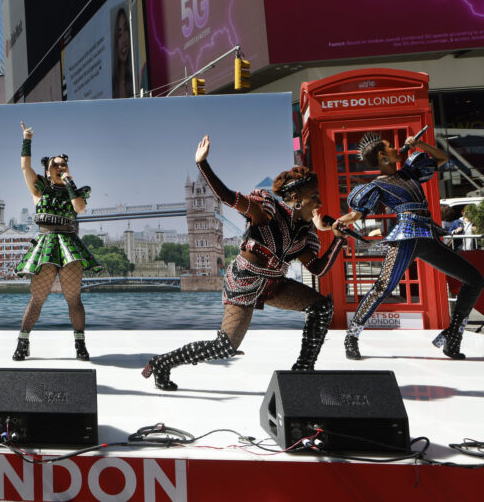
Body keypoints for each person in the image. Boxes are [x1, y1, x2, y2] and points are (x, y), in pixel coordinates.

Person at [142, 136, 346, 391]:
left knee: (322, 308)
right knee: (224, 347)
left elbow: (317, 268)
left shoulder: (305, 233)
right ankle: (162, 363)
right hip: (243, 283)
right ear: (295, 197)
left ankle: (303, 370)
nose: (319, 203)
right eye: (314, 196)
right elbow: (228, 197)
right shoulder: (267, 210)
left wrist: (338, 240)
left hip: (273, 284)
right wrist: (202, 165)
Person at [336, 132, 484, 360]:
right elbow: (356, 213)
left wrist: (419, 144)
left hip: (427, 236)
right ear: (383, 157)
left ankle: (453, 336)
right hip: (405, 237)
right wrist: (337, 223)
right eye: (390, 147)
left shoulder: (410, 170)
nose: (397, 148)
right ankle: (352, 336)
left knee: (474, 279)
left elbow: (442, 158)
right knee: (383, 287)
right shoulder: (376, 186)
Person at [10, 122, 103, 362]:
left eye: (64, 163)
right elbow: (24, 166)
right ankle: (23, 342)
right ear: (48, 168)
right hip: (47, 243)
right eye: (56, 164)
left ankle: (80, 345)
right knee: (37, 298)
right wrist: (26, 139)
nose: (61, 166)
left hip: (69, 244)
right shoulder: (39, 189)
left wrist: (70, 183)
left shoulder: (76, 189)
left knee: (73, 298)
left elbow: (79, 208)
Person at [112, 6, 133, 98]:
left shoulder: (137, 77)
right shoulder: (113, 84)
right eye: (119, 35)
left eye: (125, 30)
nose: (124, 40)